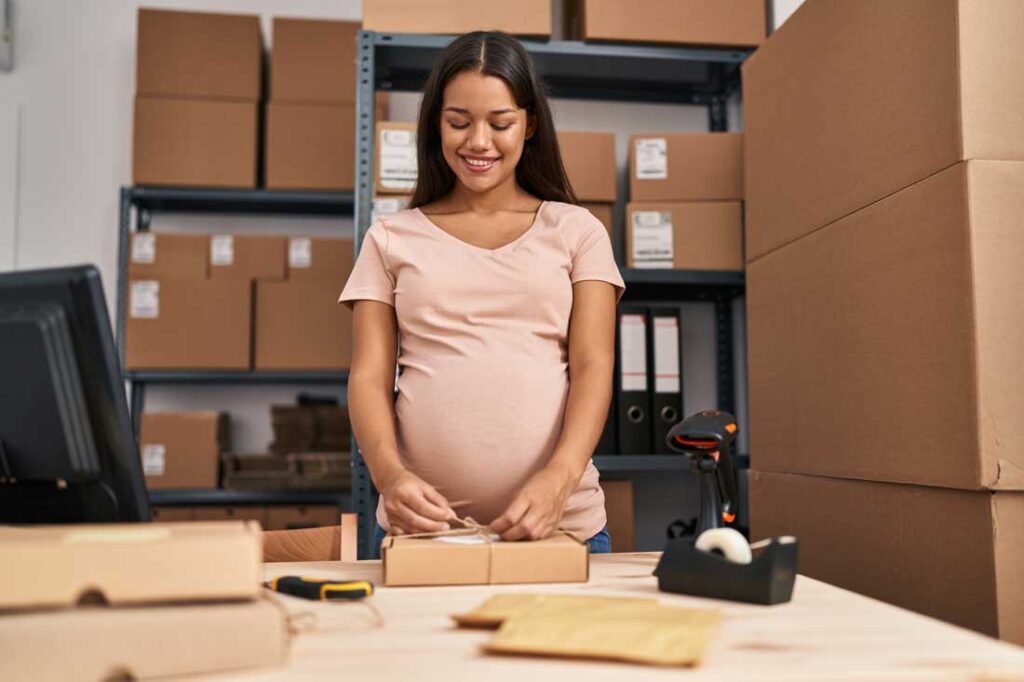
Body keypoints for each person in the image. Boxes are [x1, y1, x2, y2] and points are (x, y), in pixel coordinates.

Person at [339, 30, 624, 557]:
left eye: (500, 123)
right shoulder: (390, 237)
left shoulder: (577, 231)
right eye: (458, 122)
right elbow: (369, 375)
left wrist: (558, 479)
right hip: (423, 533)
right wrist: (389, 476)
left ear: (530, 124)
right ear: (435, 125)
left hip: (561, 526)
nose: (478, 142)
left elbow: (592, 366)